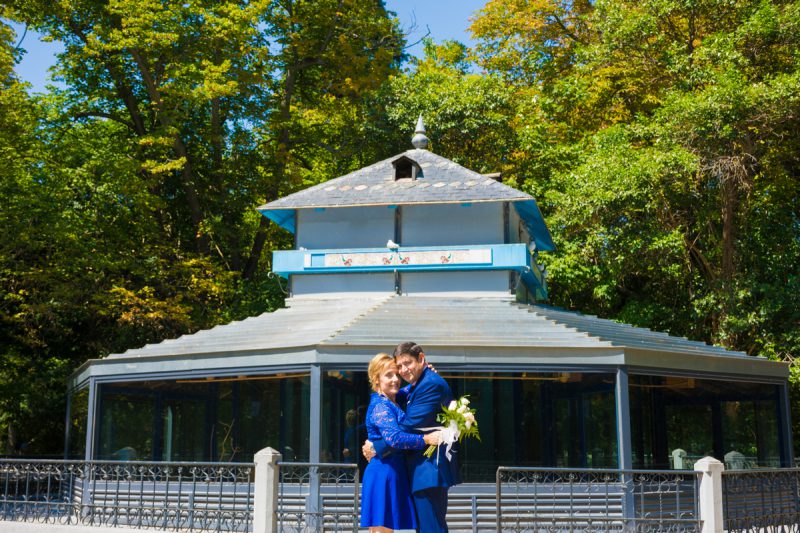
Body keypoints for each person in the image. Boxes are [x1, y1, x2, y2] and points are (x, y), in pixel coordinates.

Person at [365, 342, 459, 533]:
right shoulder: (381, 405)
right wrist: (425, 439)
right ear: (376, 380)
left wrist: (376, 446)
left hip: (418, 470)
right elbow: (397, 436)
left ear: (421, 359)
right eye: (392, 372)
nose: (398, 376)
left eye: (399, 370)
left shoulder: (406, 393)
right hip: (386, 472)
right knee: (383, 529)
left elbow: (408, 418)